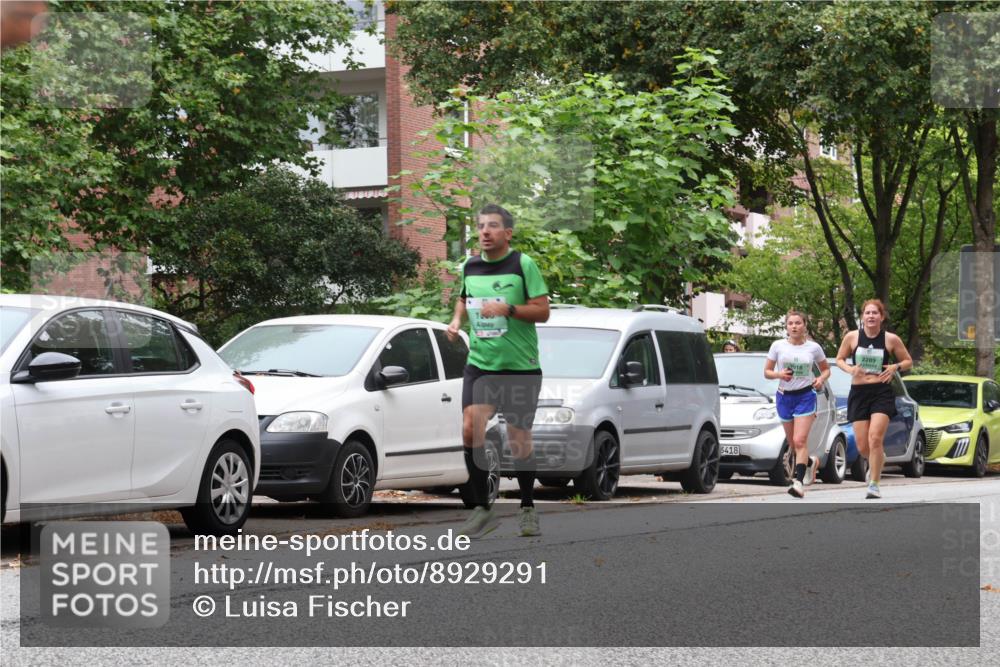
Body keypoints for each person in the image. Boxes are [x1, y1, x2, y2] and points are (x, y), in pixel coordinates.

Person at [447, 204, 550, 537]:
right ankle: (482, 508)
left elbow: (543, 311)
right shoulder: (470, 266)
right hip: (481, 365)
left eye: (492, 226)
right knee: (469, 427)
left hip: (520, 367)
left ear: (507, 233)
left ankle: (527, 508)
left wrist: (507, 308)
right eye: (480, 226)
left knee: (519, 440)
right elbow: (464, 298)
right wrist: (456, 320)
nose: (485, 232)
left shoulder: (523, 264)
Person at [835, 299, 913, 499]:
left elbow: (908, 361)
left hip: (881, 392)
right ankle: (878, 460)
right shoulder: (852, 337)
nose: (871, 316)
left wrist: (895, 367)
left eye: (875, 313)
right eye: (867, 313)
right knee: (863, 446)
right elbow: (839, 359)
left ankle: (874, 484)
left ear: (881, 316)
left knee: (875, 438)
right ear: (863, 316)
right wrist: (850, 369)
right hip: (859, 392)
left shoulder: (890, 339)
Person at [763, 310, 830, 498]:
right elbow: (767, 372)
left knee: (800, 441)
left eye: (798, 323)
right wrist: (779, 374)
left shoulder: (814, 348)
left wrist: (820, 379)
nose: (794, 326)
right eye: (790, 323)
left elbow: (825, 370)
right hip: (784, 397)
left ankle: (798, 483)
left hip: (805, 396)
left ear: (805, 325)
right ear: (786, 326)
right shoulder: (777, 346)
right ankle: (810, 463)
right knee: (793, 444)